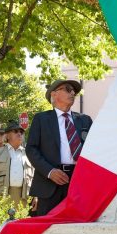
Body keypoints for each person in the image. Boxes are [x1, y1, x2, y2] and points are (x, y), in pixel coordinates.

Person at [26, 79, 93, 216]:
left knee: (77, 227)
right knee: (47, 230)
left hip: (78, 181)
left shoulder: (85, 120)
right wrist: (50, 171)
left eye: (74, 91)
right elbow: (31, 149)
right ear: (54, 94)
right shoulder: (41, 119)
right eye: (68, 89)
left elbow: (94, 149)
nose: (73, 92)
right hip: (50, 183)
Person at [0, 121, 34, 208]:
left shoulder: (28, 153)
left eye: (21, 132)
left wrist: (36, 196)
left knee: (20, 221)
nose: (19, 134)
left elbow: (34, 177)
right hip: (2, 197)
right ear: (7, 135)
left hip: (24, 198)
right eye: (15, 131)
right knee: (4, 221)